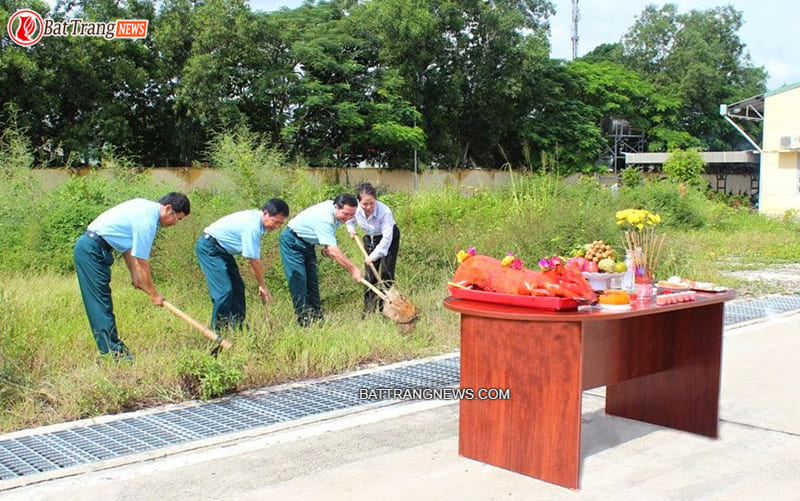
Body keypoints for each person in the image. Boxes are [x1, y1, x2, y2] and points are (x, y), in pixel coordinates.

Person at [73, 192, 190, 359]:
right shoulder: (147, 220)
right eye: (177, 219)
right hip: (91, 250)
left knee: (102, 302)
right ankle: (115, 355)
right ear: (168, 209)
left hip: (94, 248)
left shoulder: (144, 208)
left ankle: (113, 351)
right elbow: (142, 261)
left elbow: (129, 249)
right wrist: (154, 294)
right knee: (100, 304)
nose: (176, 224)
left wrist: (136, 277)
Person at [195, 198, 290, 331]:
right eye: (275, 222)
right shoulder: (253, 226)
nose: (276, 227)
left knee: (238, 287)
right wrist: (262, 286)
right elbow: (254, 260)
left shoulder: (258, 221)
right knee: (224, 291)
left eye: (280, 224)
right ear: (265, 213)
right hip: (210, 248)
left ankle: (238, 328)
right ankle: (217, 332)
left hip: (223, 251)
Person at [279, 194, 363, 326]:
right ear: (336, 207)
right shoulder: (324, 218)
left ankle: (318, 320)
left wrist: (326, 246)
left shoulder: (335, 212)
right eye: (346, 214)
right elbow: (334, 250)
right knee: (299, 281)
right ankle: (304, 322)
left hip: (308, 244)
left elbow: (327, 237)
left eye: (351, 215)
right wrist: (353, 269)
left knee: (312, 283)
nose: (348, 218)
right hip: (292, 242)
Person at [346, 183, 401, 314]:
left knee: (386, 274)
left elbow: (387, 239)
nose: (369, 207)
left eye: (372, 203)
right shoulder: (356, 209)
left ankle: (385, 310)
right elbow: (349, 218)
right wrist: (351, 230)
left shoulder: (384, 212)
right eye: (365, 204)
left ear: (376, 200)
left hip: (389, 239)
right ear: (358, 202)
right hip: (370, 238)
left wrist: (373, 256)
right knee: (370, 275)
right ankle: (368, 310)